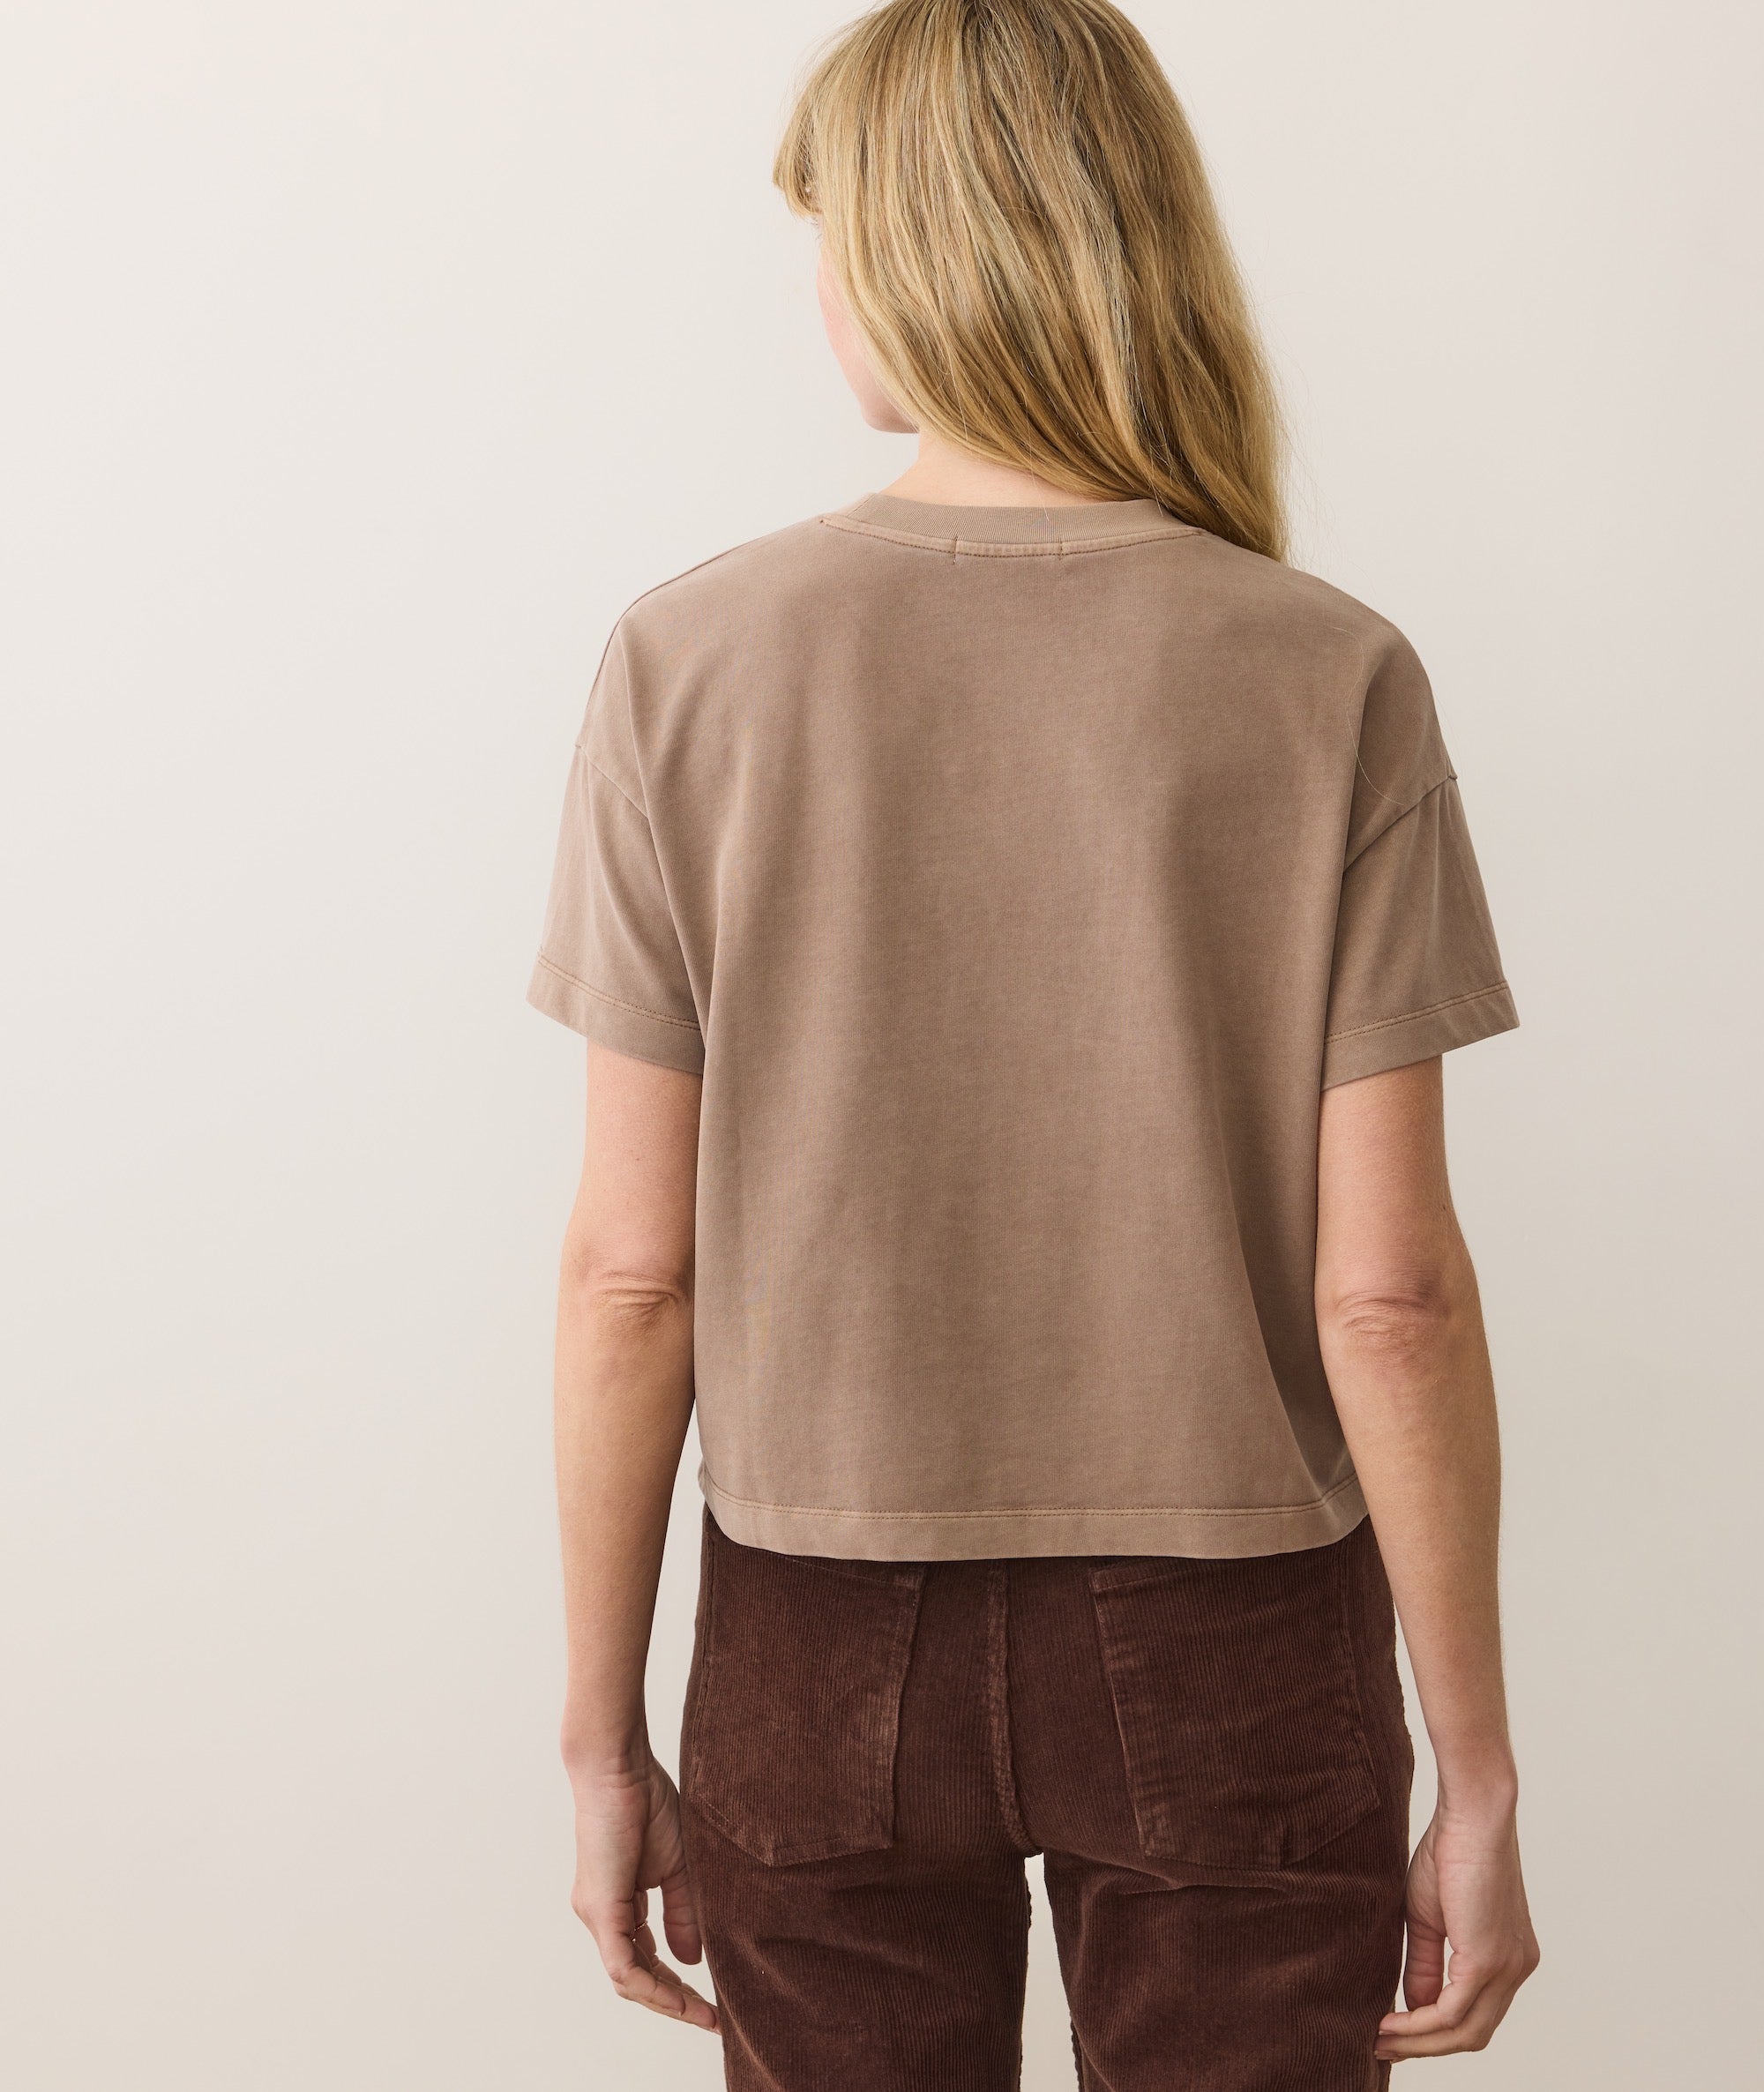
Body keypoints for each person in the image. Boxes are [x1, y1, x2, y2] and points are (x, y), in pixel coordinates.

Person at [528, 1, 1541, 2083]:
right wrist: (1481, 1767)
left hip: (811, 1625)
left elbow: (632, 1275)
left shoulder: (686, 664)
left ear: (915, 253)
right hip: (1237, 1634)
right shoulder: (1329, 674)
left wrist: (598, 1730)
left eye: (828, 233)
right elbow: (1391, 1295)